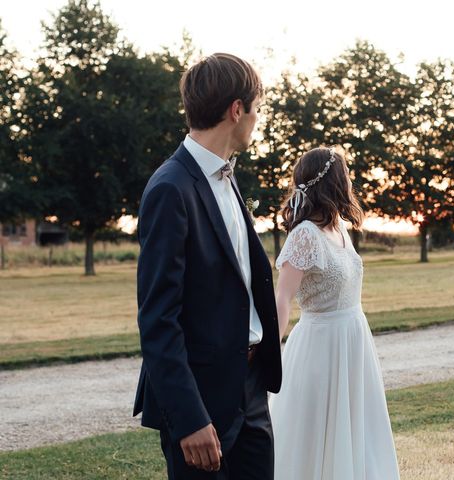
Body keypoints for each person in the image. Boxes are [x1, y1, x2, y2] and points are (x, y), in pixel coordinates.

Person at [132, 53, 282, 479]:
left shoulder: (227, 178)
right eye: (257, 107)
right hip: (201, 401)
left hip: (250, 389)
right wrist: (189, 418)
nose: (257, 118)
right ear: (237, 110)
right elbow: (158, 319)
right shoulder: (170, 188)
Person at [270, 147, 401, 479]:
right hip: (320, 348)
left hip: (354, 342)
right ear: (332, 181)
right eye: (345, 174)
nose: (350, 180)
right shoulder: (304, 236)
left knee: (358, 429)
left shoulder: (339, 228)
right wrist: (266, 352)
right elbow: (282, 298)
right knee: (316, 435)